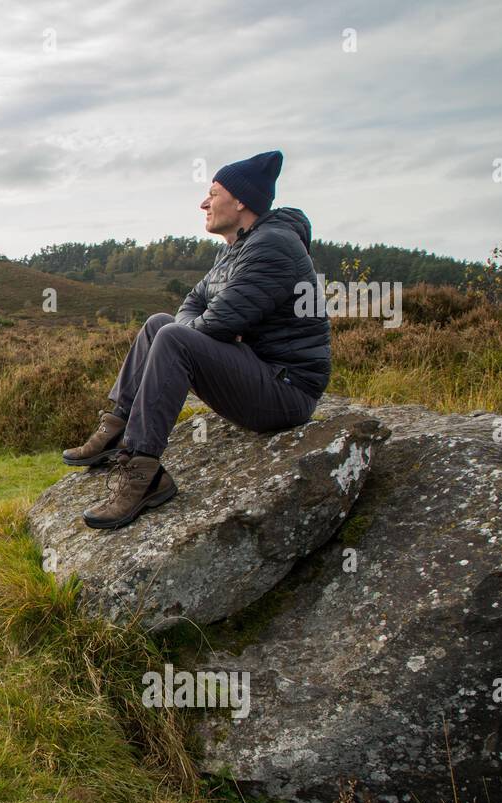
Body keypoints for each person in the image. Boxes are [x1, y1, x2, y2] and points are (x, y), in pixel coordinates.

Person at [63, 150, 331, 530]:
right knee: (160, 324)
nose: (204, 202)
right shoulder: (238, 248)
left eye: (214, 192)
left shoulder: (272, 245)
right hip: (258, 370)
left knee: (174, 336)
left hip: (286, 391)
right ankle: (117, 427)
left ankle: (144, 473)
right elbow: (192, 304)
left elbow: (219, 322)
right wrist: (209, 324)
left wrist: (213, 326)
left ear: (240, 201)